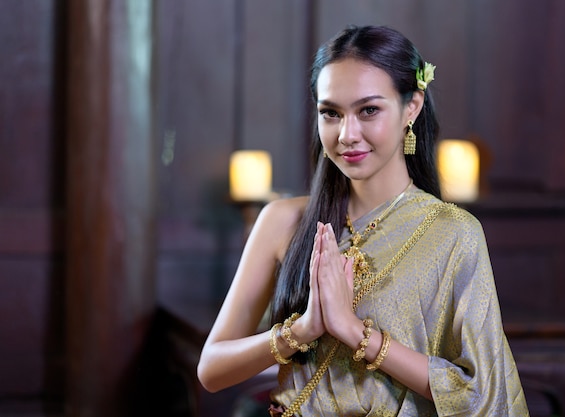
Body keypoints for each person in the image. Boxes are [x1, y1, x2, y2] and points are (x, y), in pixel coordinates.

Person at [197, 25, 529, 416]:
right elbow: (212, 370)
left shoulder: (455, 234)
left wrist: (352, 330)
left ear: (412, 107)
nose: (347, 134)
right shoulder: (283, 221)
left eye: (368, 110)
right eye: (331, 113)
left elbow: (480, 394)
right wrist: (301, 331)